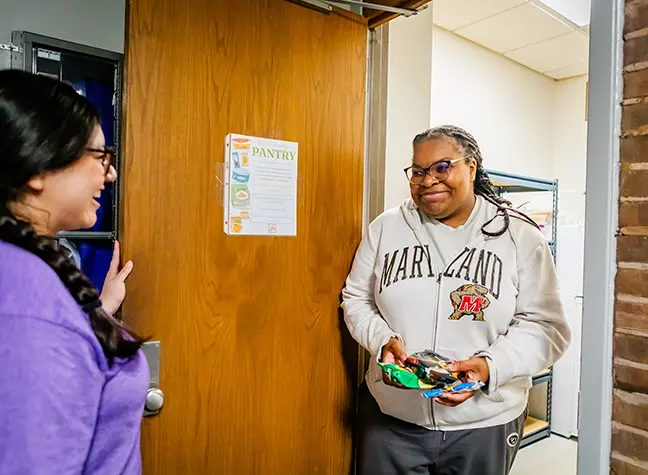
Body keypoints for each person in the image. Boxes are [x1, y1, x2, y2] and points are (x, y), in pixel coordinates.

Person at [342, 125, 571, 475]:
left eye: (442, 167)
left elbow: (546, 327)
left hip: (484, 423)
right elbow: (357, 298)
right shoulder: (385, 228)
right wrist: (382, 340)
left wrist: (490, 366)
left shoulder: (520, 237)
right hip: (392, 418)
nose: (428, 180)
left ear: (472, 167)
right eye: (418, 171)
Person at [0, 69, 148, 475]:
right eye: (101, 156)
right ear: (37, 164)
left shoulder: (25, 275)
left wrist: (95, 311)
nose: (111, 173)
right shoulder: (26, 303)